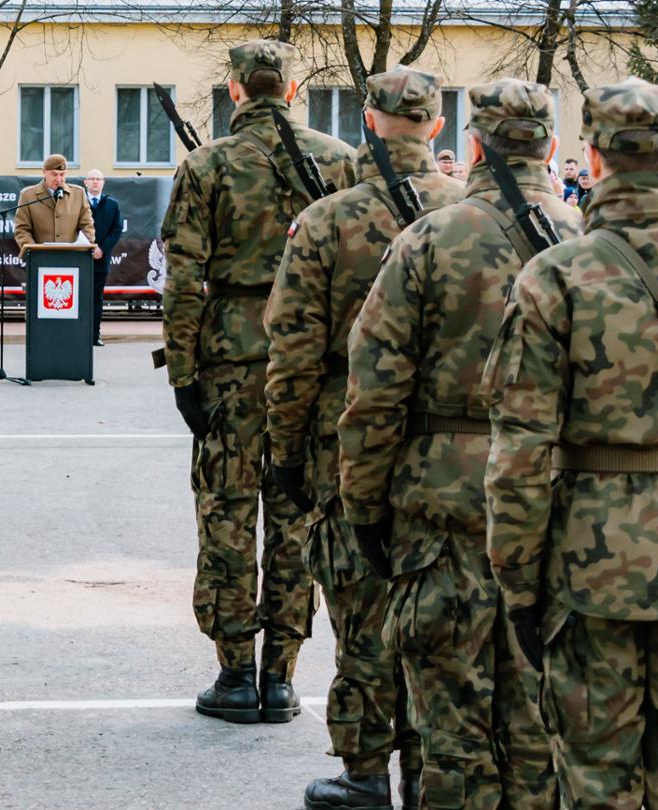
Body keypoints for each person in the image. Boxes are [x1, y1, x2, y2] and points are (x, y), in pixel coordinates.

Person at [486, 77, 658, 809]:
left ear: (593, 160)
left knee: (595, 776)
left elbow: (520, 452)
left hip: (588, 567)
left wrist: (517, 583)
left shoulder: (555, 274)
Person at [340, 78, 583, 810]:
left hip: (441, 514)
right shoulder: (587, 240)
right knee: (541, 731)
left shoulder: (429, 239)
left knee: (451, 733)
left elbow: (375, 389)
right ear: (551, 146)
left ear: (473, 146)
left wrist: (364, 508)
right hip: (556, 510)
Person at [263, 66, 464, 810]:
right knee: (443, 619)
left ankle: (366, 772)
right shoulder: (471, 214)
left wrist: (286, 454)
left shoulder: (327, 220)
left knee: (361, 613)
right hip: (446, 452)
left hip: (342, 445)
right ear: (436, 126)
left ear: (368, 122)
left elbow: (292, 352)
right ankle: (433, 774)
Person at [162, 38, 354, 726]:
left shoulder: (207, 165)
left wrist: (182, 372)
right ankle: (281, 676)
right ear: (293, 90)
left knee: (228, 513)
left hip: (230, 365)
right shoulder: (339, 162)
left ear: (236, 91)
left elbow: (183, 280)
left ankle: (236, 673)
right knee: (297, 513)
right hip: (313, 360)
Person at [13, 153, 93, 251]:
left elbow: (87, 226)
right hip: (41, 256)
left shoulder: (78, 194)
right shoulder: (28, 195)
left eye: (62, 174)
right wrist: (33, 252)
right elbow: (22, 230)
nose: (59, 179)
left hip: (72, 256)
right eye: (54, 174)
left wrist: (83, 249)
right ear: (44, 172)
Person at [84, 168, 125, 345]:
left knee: (96, 299)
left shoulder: (112, 205)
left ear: (103, 183)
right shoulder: (77, 203)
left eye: (98, 179)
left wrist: (101, 249)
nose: (95, 182)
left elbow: (117, 230)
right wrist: (85, 247)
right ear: (85, 182)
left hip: (100, 260)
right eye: (92, 178)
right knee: (78, 298)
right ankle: (78, 335)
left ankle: (95, 335)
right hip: (79, 258)